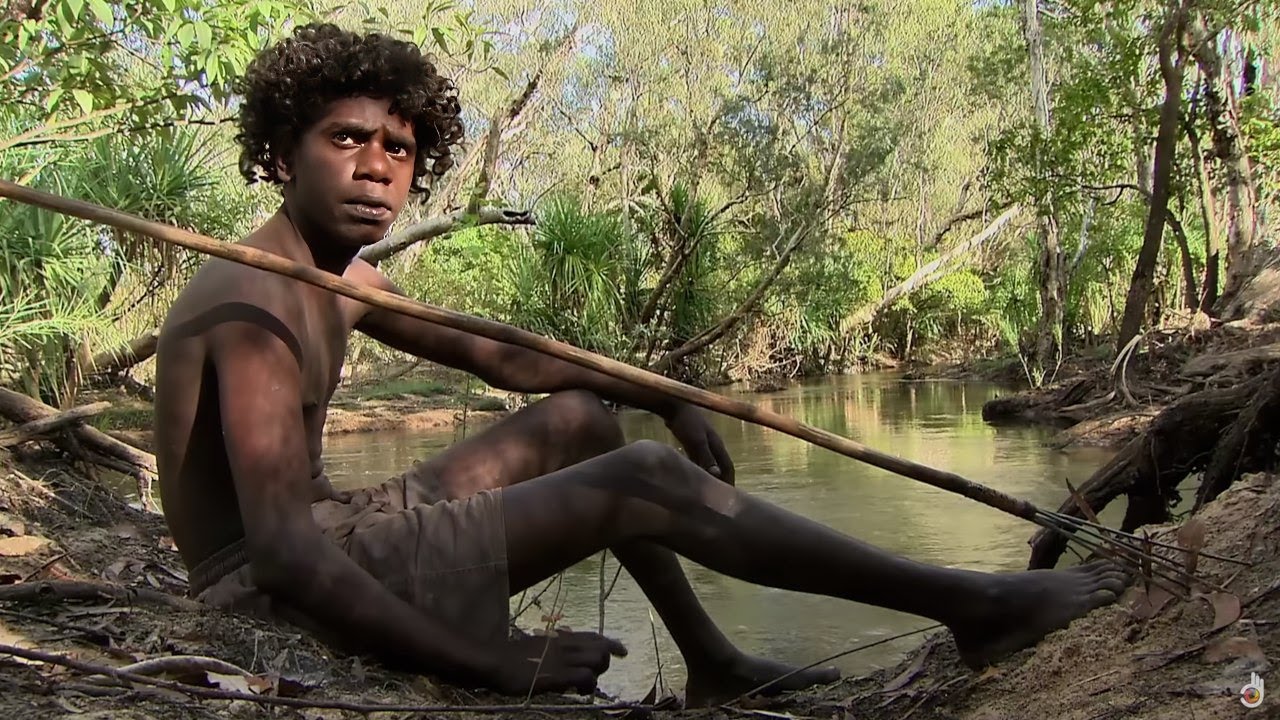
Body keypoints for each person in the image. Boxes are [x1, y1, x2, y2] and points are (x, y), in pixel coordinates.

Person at [152, 23, 1127, 707]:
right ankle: (977, 604)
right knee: (644, 479)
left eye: (399, 149)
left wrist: (664, 393)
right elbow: (283, 554)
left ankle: (712, 661)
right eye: (346, 140)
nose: (376, 168)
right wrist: (488, 664)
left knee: (582, 419)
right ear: (283, 154)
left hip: (338, 531)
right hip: (271, 590)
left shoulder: (336, 277)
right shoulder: (253, 299)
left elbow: (499, 354)